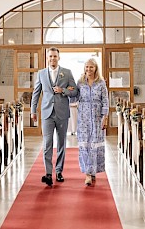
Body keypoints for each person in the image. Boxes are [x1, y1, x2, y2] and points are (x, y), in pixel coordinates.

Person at [31, 47, 77, 186]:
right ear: (47, 58)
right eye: (50, 56)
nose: (52, 59)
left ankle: (59, 171)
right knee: (47, 143)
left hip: (62, 112)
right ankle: (48, 173)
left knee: (61, 143)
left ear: (59, 57)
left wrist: (62, 90)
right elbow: (36, 93)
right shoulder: (41, 74)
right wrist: (33, 110)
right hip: (47, 113)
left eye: (55, 56)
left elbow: (74, 90)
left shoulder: (67, 73)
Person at [74, 57, 109, 187]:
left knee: (94, 144)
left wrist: (105, 117)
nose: (88, 69)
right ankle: (87, 174)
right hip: (83, 118)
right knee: (85, 145)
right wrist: (65, 92)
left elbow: (105, 101)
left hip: (97, 117)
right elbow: (75, 98)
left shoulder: (101, 83)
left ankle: (93, 170)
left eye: (91, 67)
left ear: (95, 68)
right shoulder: (80, 82)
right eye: (86, 67)